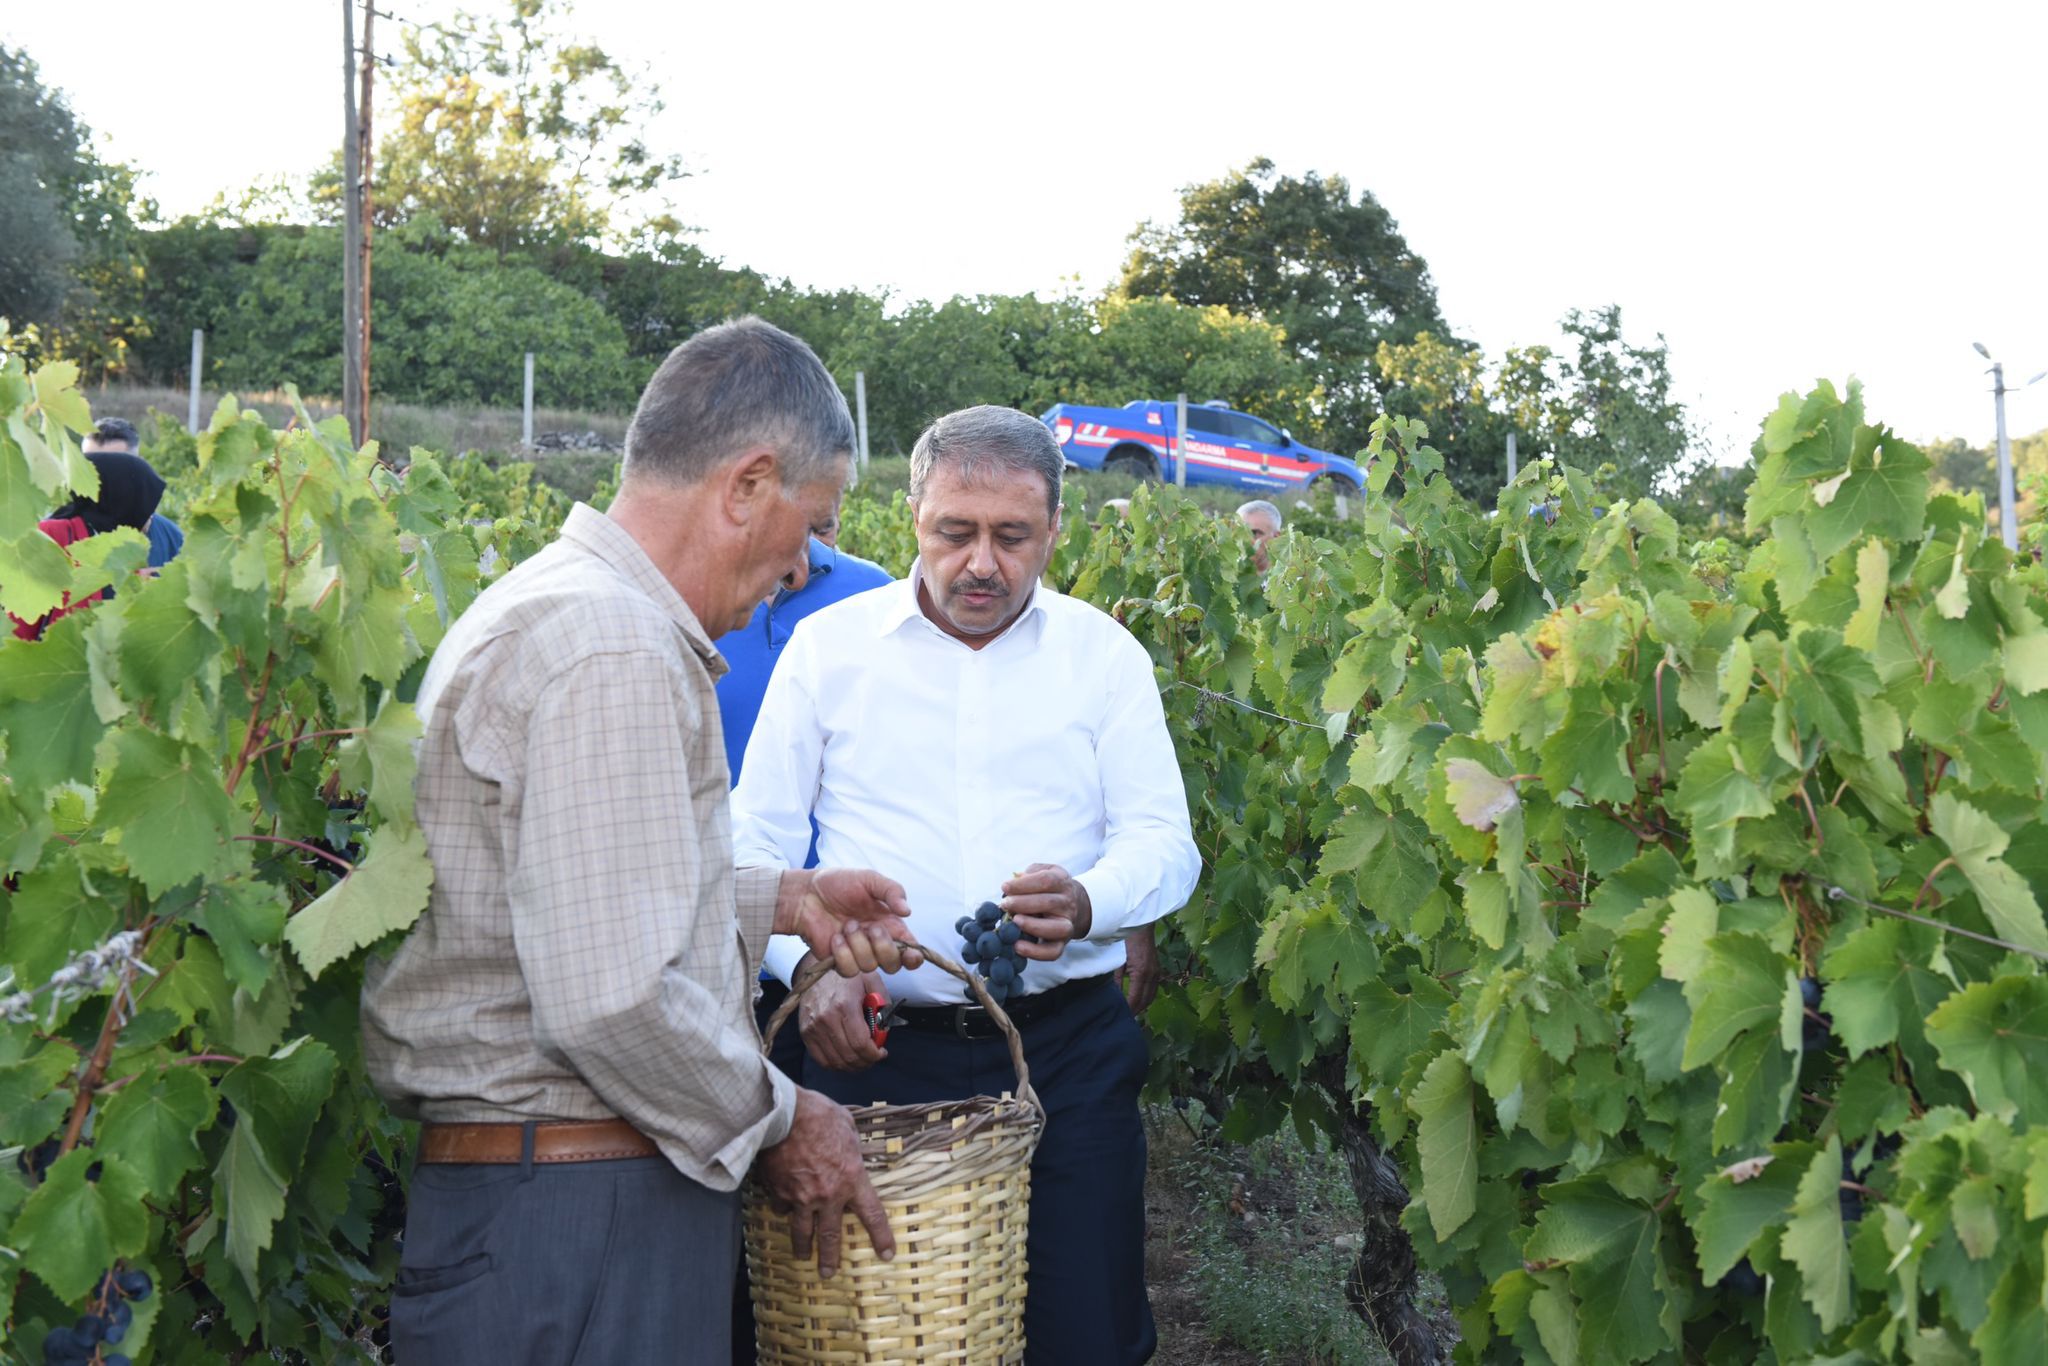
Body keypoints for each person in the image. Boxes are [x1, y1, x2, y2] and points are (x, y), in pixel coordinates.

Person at [361, 317, 924, 1366]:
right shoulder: (611, 644)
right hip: (581, 1219)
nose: (803, 564)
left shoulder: (561, 608)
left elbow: (565, 901)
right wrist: (783, 1117)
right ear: (746, 485)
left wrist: (782, 898)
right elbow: (612, 996)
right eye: (812, 524)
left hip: (551, 1209)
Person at [734, 404, 1202, 1365]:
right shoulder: (831, 649)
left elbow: (1165, 842)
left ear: (1055, 529)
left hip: (1065, 1060)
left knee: (1086, 1334)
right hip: (874, 1060)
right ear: (913, 517)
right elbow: (752, 842)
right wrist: (804, 968)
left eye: (1012, 536)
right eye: (956, 532)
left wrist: (1090, 901)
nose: (982, 562)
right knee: (879, 1337)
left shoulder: (1104, 657)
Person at [9, 450, 166, 640]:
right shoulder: (50, 536)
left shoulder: (126, 554)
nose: (151, 516)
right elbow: (17, 624)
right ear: (124, 499)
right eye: (147, 505)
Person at [80, 417, 183, 568]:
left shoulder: (172, 539)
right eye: (92, 467)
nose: (102, 479)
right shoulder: (58, 535)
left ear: (139, 466)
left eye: (114, 468)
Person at [1236, 497, 1283, 575]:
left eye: (1254, 533)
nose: (1244, 542)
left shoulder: (1292, 581)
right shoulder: (1222, 579)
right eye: (1239, 534)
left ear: (1276, 538)